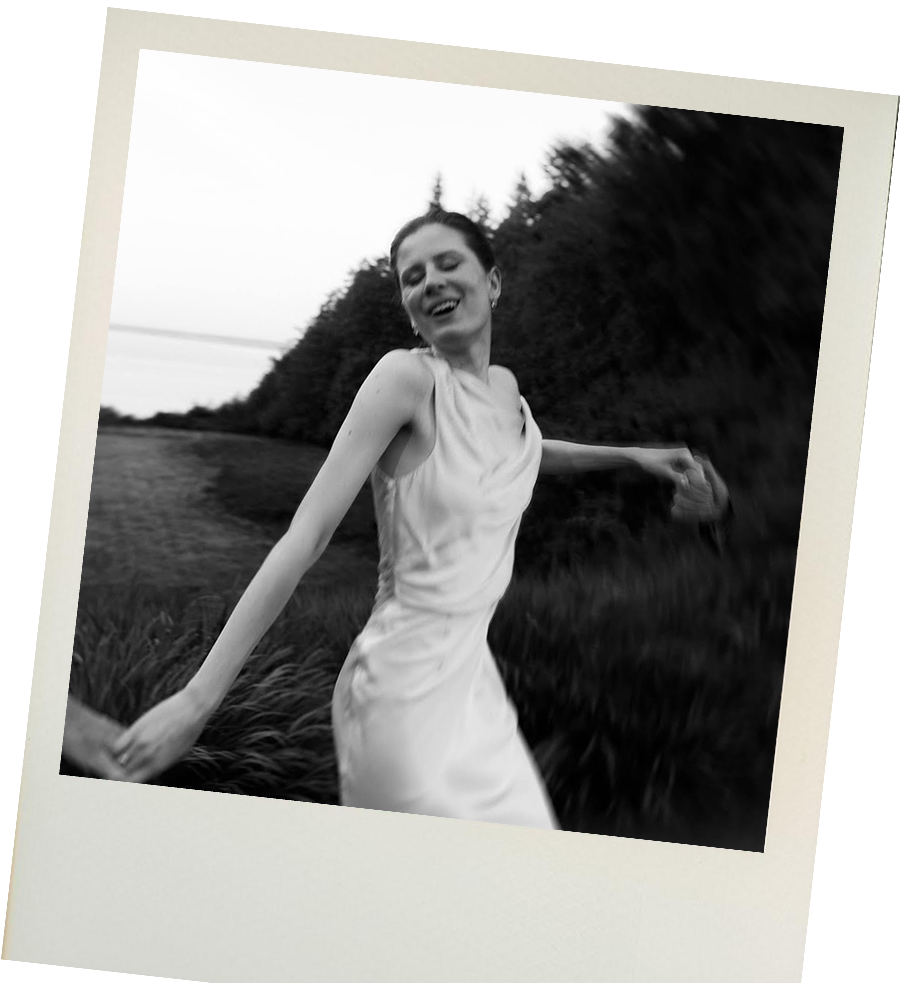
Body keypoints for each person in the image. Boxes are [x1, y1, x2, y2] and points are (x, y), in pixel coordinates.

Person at [102, 209, 723, 828]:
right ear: (407, 304)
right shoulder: (404, 380)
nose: (430, 282)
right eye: (412, 276)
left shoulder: (506, 389)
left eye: (448, 264)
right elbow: (307, 535)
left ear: (494, 283)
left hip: (473, 686)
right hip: (400, 693)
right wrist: (197, 700)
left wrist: (633, 456)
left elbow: (526, 451)